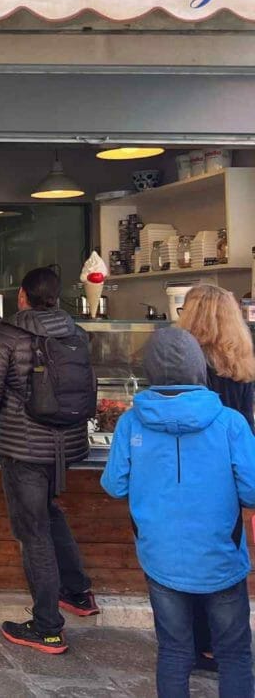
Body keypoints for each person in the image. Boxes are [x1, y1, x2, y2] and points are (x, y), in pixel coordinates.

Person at [101, 327, 255, 698]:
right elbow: (252, 489)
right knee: (234, 654)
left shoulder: (131, 422)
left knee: (173, 651)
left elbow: (114, 485)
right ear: (199, 368)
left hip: (159, 557)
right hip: (221, 557)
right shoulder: (230, 422)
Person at [0, 266, 98, 654]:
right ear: (57, 298)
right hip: (67, 445)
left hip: (24, 447)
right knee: (49, 512)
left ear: (22, 296)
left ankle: (46, 627)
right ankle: (77, 593)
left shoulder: (7, 334)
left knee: (34, 529)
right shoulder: (75, 332)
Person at [174, 284, 255, 674]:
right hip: (227, 477)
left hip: (188, 475)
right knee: (221, 558)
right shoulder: (241, 364)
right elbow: (247, 427)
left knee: (185, 557)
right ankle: (217, 647)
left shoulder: (186, 366)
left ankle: (190, 645)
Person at [178, 284, 255, 430]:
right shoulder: (241, 359)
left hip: (198, 446)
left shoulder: (184, 359)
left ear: (191, 318)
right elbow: (247, 421)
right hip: (233, 442)